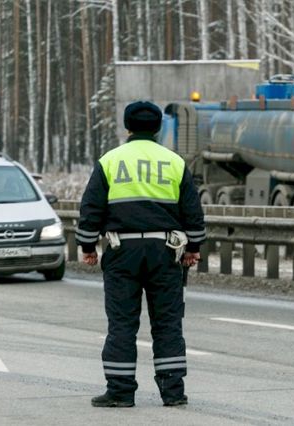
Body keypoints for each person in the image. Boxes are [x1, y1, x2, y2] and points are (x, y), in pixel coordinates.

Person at [76, 101, 205, 408]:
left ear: (128, 127)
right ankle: (173, 392)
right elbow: (192, 211)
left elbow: (91, 208)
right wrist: (193, 248)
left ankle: (120, 392)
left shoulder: (110, 161)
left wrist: (87, 246)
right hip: (165, 252)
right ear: (158, 128)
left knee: (122, 323)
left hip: (122, 251)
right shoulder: (174, 162)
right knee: (168, 322)